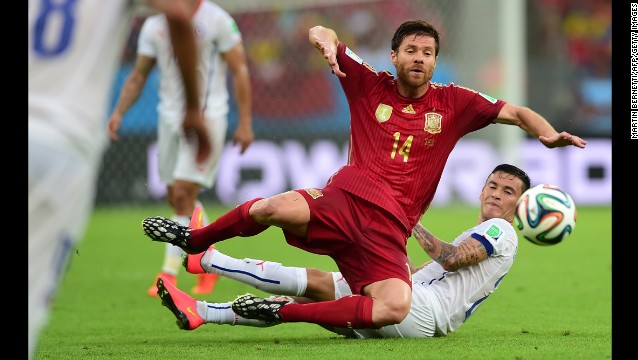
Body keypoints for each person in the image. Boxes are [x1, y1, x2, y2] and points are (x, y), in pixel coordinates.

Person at [141, 20, 586, 331]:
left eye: (428, 53)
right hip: (347, 197)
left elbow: (517, 111)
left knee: (391, 305)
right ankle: (195, 242)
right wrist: (325, 44)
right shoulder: (367, 81)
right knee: (272, 207)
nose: (419, 59)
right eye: (411, 50)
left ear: (435, 61)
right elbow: (322, 30)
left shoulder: (456, 103)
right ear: (394, 55)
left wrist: (546, 134)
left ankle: (246, 302)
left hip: (390, 228)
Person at [28, 0, 211, 358]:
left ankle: (189, 259)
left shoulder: (218, 22)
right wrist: (193, 109)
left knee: (181, 191)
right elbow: (176, 15)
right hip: (64, 142)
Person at [154, 164, 529, 337]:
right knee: (314, 292)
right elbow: (436, 272)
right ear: (481, 190)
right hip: (419, 316)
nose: (496, 193)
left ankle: (210, 259)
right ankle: (203, 310)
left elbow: (449, 258)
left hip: (423, 312)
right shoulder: (487, 230)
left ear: (520, 204)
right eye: (492, 185)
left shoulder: (501, 231)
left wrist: (404, 220)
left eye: (507, 191)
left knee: (316, 286)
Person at [107, 0, 255, 297]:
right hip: (168, 119)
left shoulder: (218, 20)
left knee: (185, 193)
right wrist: (119, 112)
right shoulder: (153, 25)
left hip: (208, 117)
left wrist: (245, 122)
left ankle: (169, 274)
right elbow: (139, 74)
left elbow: (239, 69)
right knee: (177, 197)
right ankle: (211, 262)